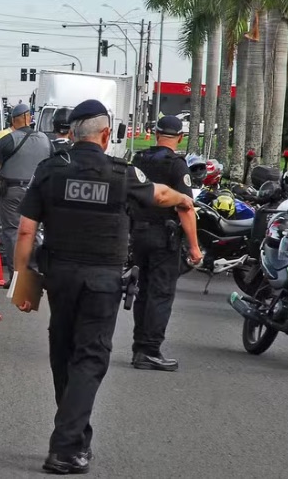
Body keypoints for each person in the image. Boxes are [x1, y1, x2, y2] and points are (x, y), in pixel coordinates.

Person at [13, 100, 196, 474]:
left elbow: (27, 230)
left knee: (63, 354)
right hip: (101, 282)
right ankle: (64, 449)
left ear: (73, 132)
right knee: (90, 358)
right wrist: (184, 198)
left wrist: (23, 284)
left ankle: (76, 438)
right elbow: (161, 195)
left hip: (59, 279)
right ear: (106, 134)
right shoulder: (121, 172)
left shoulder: (49, 170)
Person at [130, 116, 203, 372]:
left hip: (138, 235)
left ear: (155, 134)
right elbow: (185, 208)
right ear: (180, 137)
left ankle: (139, 347)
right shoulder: (177, 166)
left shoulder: (138, 160)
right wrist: (194, 247)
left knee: (144, 291)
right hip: (164, 237)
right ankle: (150, 350)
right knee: (161, 294)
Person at [0, 103, 53, 287]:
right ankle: (35, 270)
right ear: (28, 118)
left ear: (13, 120)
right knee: (36, 231)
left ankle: (17, 275)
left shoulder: (7, 140)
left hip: (12, 191)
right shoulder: (45, 140)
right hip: (38, 191)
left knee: (12, 231)